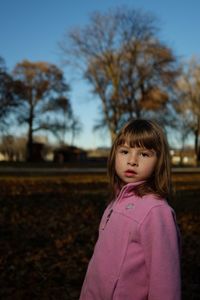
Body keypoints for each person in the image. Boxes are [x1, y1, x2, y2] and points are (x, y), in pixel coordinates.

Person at [79, 119, 181, 300]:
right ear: (114, 155)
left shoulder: (156, 211)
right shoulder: (116, 202)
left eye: (144, 154)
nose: (132, 161)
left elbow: (165, 282)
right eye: (125, 151)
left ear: (159, 162)